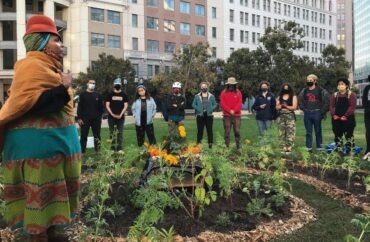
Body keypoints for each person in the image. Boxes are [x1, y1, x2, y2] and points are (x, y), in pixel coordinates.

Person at [0, 15, 81, 241]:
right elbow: (35, 104)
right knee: (38, 202)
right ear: (43, 43)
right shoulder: (31, 66)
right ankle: (39, 234)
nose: (61, 44)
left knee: (51, 201)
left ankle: (49, 231)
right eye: (56, 40)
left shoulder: (48, 67)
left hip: (51, 151)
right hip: (37, 154)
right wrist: (64, 87)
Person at [298, 74, 330, 151]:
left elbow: (327, 102)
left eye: (311, 80)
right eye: (308, 80)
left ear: (315, 81)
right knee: (308, 132)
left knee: (318, 131)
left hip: (317, 113)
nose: (309, 82)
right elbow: (300, 100)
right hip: (307, 113)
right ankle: (308, 147)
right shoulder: (304, 91)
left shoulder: (321, 91)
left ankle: (319, 147)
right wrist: (303, 109)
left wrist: (322, 112)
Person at [329, 78, 357, 152]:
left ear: (346, 85)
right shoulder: (334, 95)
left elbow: (352, 107)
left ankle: (350, 151)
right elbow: (331, 106)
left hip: (348, 119)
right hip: (336, 119)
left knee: (349, 136)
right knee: (337, 135)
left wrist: (346, 115)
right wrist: (333, 114)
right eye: (339, 84)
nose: (340, 86)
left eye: (342, 84)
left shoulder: (351, 94)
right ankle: (339, 150)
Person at [77, 79, 104, 154]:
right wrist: (79, 118)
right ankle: (82, 151)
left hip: (96, 119)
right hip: (85, 119)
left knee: (97, 135)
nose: (92, 84)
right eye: (91, 83)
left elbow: (101, 107)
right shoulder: (82, 95)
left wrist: (100, 117)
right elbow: (79, 107)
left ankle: (98, 150)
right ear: (87, 84)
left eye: (94, 83)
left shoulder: (98, 95)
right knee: (83, 135)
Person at [192, 81, 217, 148]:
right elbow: (193, 104)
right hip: (200, 115)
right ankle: (199, 144)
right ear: (200, 87)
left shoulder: (211, 96)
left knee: (209, 130)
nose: (204, 88)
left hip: (208, 115)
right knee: (200, 130)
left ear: (207, 87)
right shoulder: (197, 96)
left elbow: (215, 104)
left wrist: (211, 109)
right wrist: (199, 110)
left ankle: (210, 144)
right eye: (202, 87)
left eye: (205, 87)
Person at [105, 78, 128, 152]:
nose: (117, 85)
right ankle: (112, 148)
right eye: (116, 84)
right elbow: (107, 105)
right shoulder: (110, 95)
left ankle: (119, 148)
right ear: (113, 85)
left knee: (120, 133)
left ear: (121, 85)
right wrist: (112, 114)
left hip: (121, 117)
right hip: (111, 117)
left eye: (119, 84)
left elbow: (125, 105)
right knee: (112, 132)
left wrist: (121, 114)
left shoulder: (124, 95)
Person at [220, 77, 243, 150]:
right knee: (227, 132)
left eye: (232, 84)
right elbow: (222, 103)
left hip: (237, 116)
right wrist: (229, 110)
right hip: (227, 116)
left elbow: (239, 103)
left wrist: (234, 110)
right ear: (228, 85)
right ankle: (226, 146)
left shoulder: (238, 92)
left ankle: (238, 147)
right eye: (230, 84)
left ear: (235, 85)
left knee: (237, 131)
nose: (231, 86)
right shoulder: (223, 93)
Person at [276, 83, 298, 153]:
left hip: (290, 116)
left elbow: (294, 107)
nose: (285, 89)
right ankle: (283, 147)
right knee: (281, 132)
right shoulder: (279, 96)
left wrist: (286, 106)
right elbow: (277, 107)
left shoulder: (293, 96)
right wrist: (281, 106)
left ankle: (289, 147)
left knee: (290, 131)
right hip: (281, 116)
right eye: (284, 88)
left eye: (287, 88)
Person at [362, 75, 370, 160]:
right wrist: (367, 108)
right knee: (368, 132)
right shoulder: (367, 88)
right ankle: (368, 150)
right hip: (368, 113)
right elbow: (364, 100)